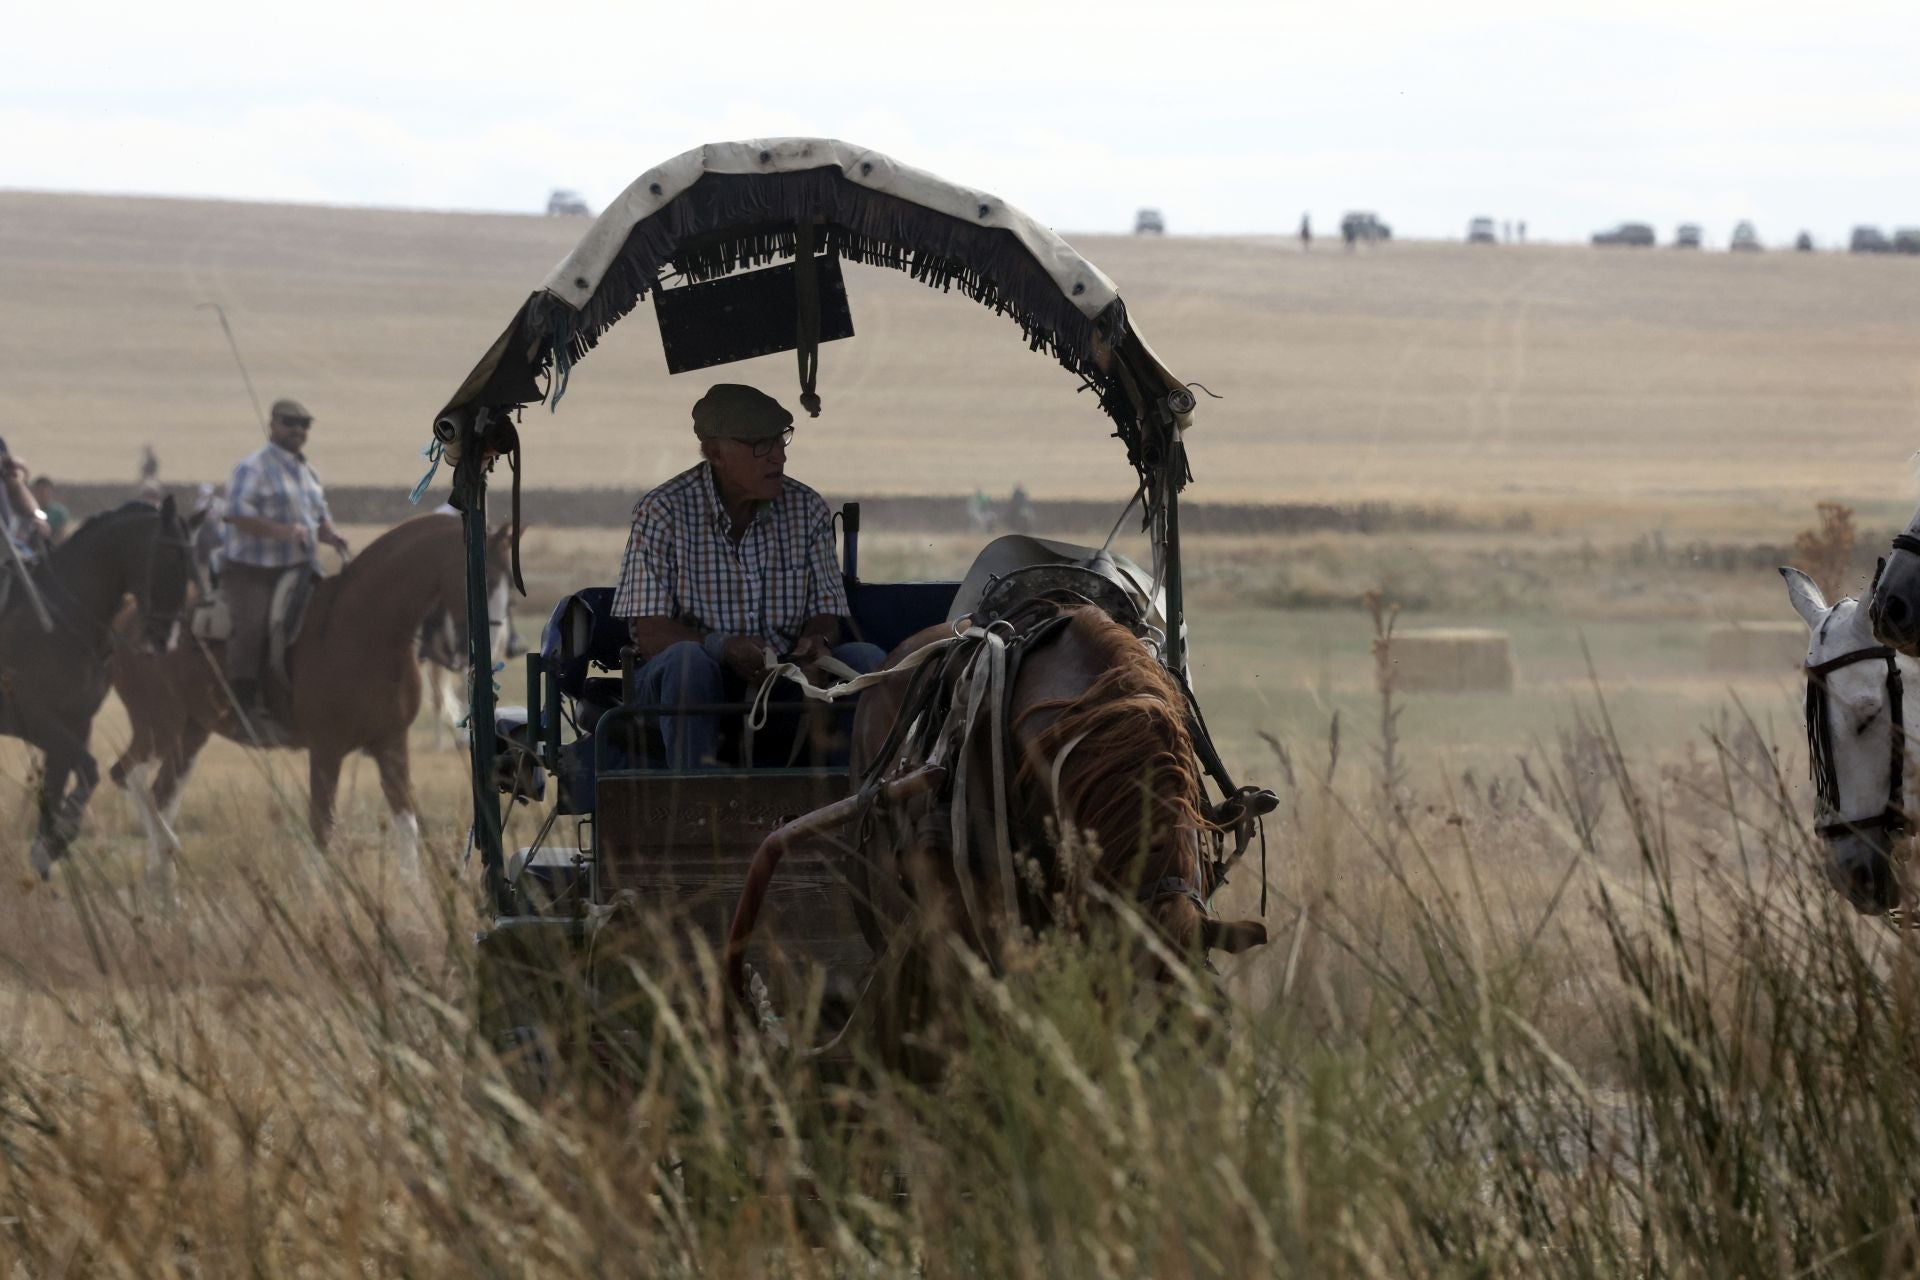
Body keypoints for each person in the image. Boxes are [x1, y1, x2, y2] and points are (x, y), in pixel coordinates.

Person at [613, 383, 886, 768]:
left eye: (781, 441)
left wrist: (817, 642)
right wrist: (723, 647)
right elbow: (650, 633)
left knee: (867, 661)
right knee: (688, 664)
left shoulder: (806, 508)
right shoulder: (663, 512)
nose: (779, 457)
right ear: (714, 452)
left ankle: (856, 802)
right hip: (689, 689)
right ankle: (695, 805)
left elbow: (827, 611)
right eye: (761, 445)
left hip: (787, 682)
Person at [219, 397, 350, 736]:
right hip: (253, 571)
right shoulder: (253, 467)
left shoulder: (309, 472)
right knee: (252, 628)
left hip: (300, 569)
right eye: (290, 422)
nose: (297, 430)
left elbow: (319, 518)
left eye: (304, 424)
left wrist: (332, 537)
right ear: (273, 425)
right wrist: (281, 532)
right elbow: (235, 513)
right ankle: (243, 710)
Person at [28, 477, 69, 545]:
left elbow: (62, 534)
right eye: (39, 491)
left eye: (44, 491)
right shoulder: (27, 510)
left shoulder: (59, 512)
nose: (42, 494)